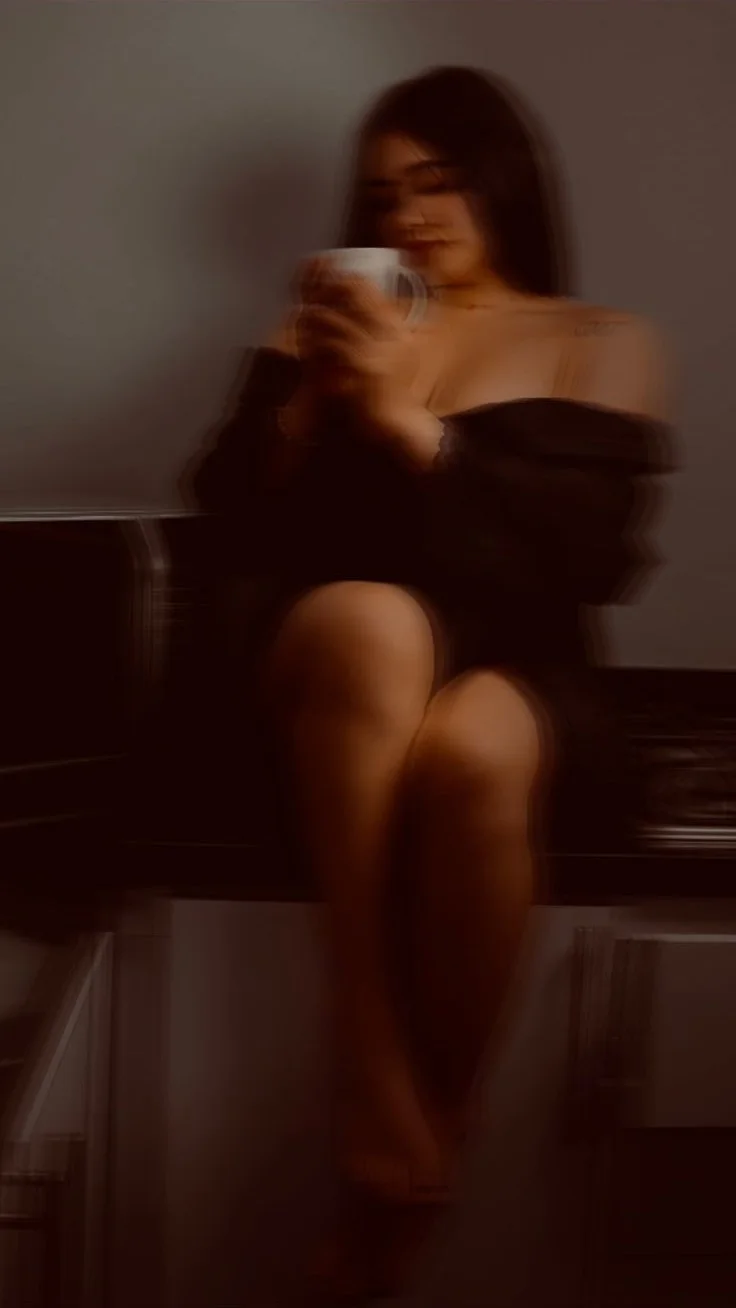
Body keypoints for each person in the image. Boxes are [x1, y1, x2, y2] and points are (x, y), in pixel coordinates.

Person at [190, 65, 672, 1305]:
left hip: (524, 663)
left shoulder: (596, 339)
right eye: (384, 194)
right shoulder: (318, 326)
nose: (408, 214)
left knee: (477, 748)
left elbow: (587, 561)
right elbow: (225, 525)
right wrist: (308, 409)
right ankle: (367, 1054)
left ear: (503, 180)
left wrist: (419, 429)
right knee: (375, 618)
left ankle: (407, 1179)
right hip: (330, 661)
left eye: (438, 182)